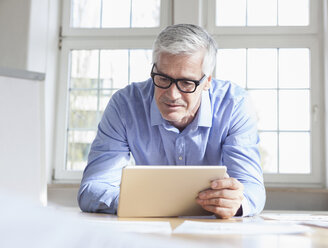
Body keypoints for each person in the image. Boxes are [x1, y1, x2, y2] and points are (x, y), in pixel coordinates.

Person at [78, 24, 265, 219]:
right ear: (153, 69)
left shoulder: (234, 105)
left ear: (207, 81)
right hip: (146, 228)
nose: (172, 94)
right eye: (163, 78)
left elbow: (252, 189)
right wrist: (140, 202)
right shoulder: (125, 105)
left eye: (186, 83)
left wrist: (237, 203)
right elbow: (93, 187)